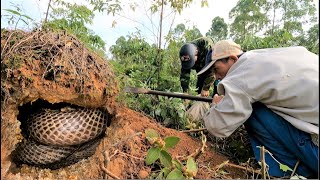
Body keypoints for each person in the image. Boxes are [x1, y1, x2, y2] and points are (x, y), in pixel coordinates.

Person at [197, 40, 319, 178]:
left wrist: (216, 106)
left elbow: (217, 126)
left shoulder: (241, 72)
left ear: (232, 59)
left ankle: (296, 171)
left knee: (253, 110)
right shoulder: (265, 57)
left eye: (216, 69)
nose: (216, 76)